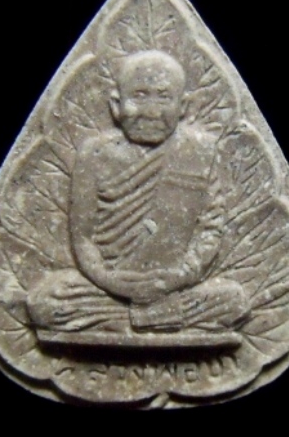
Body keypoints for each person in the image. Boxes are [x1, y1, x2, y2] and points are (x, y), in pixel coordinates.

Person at [28, 50, 249, 336]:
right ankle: (154, 319)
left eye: (163, 98)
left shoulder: (201, 151)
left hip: (176, 286)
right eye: (139, 96)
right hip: (109, 287)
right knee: (46, 301)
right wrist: (110, 281)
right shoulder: (95, 154)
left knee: (235, 301)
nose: (151, 112)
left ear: (183, 106)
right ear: (116, 105)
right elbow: (83, 238)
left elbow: (210, 230)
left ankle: (124, 322)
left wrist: (178, 277)